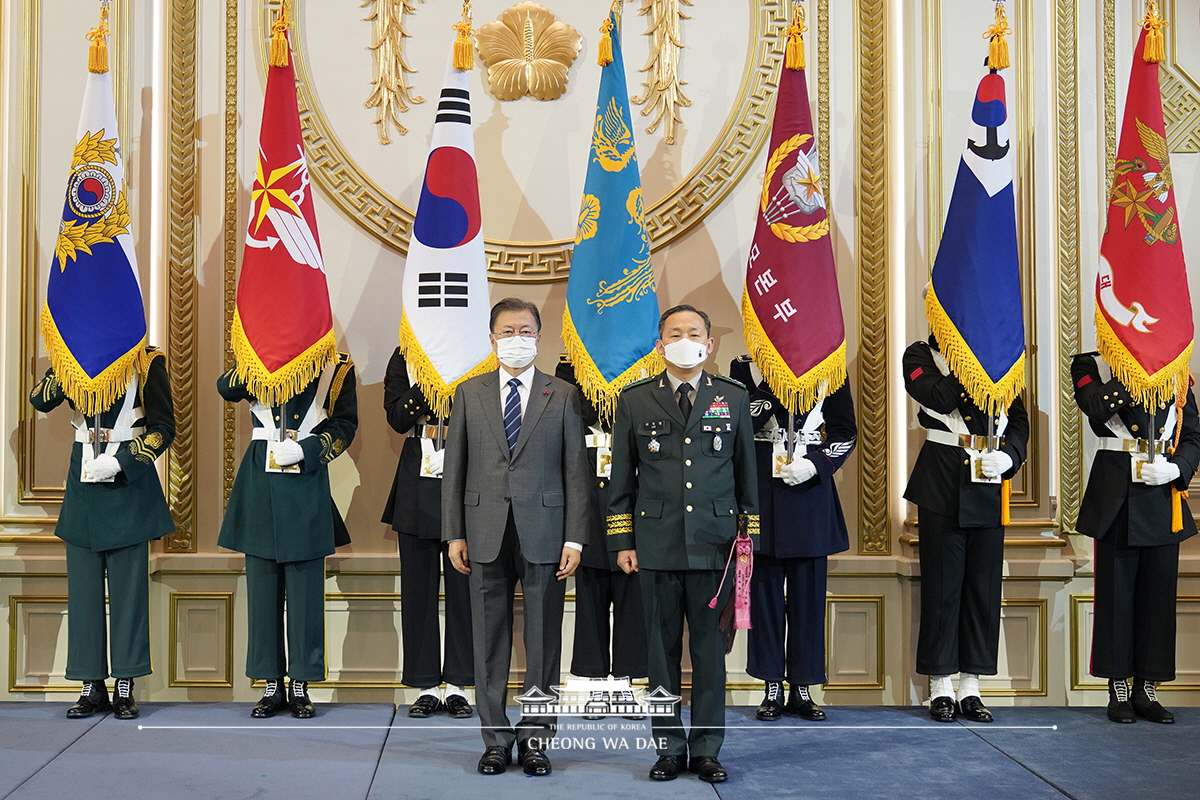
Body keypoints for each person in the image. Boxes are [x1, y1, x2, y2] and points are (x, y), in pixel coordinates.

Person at [607, 305, 758, 784]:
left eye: (695, 332)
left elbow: (746, 478)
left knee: (712, 654)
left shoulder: (732, 397)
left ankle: (708, 748)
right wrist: (622, 540)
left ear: (710, 344)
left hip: (716, 546)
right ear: (660, 344)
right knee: (660, 651)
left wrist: (747, 540)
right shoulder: (635, 400)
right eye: (675, 333)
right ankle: (669, 747)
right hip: (655, 543)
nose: (685, 339)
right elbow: (620, 482)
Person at [441, 298, 589, 777]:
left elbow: (576, 474)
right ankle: (495, 740)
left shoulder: (562, 394)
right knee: (488, 641)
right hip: (482, 532)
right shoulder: (469, 393)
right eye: (507, 331)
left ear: (539, 337)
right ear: (492, 338)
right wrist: (453, 533)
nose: (517, 338)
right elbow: (455, 470)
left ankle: (536, 739)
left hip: (546, 535)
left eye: (525, 330)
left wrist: (575, 538)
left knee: (544, 641)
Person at [29, 348, 176, 720]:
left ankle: (124, 683)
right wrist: (68, 366)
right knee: (84, 595)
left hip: (127, 485)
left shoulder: (146, 362)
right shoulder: (71, 360)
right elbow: (40, 400)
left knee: (128, 595)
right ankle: (90, 685)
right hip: (84, 486)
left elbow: (164, 428)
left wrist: (123, 461)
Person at [218, 352, 357, 719]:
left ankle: (300, 682)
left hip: (305, 480)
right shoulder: (256, 356)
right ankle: (269, 683)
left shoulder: (335, 366)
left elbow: (344, 426)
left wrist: (307, 449)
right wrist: (257, 356)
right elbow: (226, 388)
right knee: (261, 593)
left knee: (306, 594)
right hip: (260, 483)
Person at [903, 334, 1028, 723]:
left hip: (989, 477)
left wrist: (1009, 458)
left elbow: (1019, 419)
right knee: (943, 587)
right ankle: (940, 685)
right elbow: (938, 397)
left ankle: (971, 685)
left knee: (982, 588)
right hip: (942, 475)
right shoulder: (921, 355)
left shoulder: (999, 356)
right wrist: (967, 360)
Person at [1072, 351, 1200, 723]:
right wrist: (1136, 370)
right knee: (1117, 597)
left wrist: (1178, 468)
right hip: (1116, 495)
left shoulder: (1174, 370)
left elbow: (1192, 434)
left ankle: (1148, 688)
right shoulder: (1090, 365)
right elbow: (1095, 406)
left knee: (1158, 599)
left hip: (1162, 494)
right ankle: (1119, 688)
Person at [729, 355, 856, 722]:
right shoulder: (745, 368)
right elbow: (741, 423)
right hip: (760, 492)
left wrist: (818, 464)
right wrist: (772, 381)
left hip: (809, 492)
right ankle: (771, 684)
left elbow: (845, 430)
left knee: (808, 599)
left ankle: (803, 686)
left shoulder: (828, 367)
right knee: (763, 598)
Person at [381, 347, 474, 719]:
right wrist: (428, 383)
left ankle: (458, 684)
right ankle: (425, 685)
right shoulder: (406, 355)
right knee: (417, 589)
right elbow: (397, 419)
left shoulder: (476, 350)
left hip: (467, 472)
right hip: (417, 476)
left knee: (464, 588)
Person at [555, 357, 647, 717]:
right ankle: (595, 684)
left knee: (631, 603)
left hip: (632, 506)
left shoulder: (642, 366)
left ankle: (624, 684)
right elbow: (572, 412)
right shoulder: (572, 369)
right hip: (587, 507)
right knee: (590, 603)